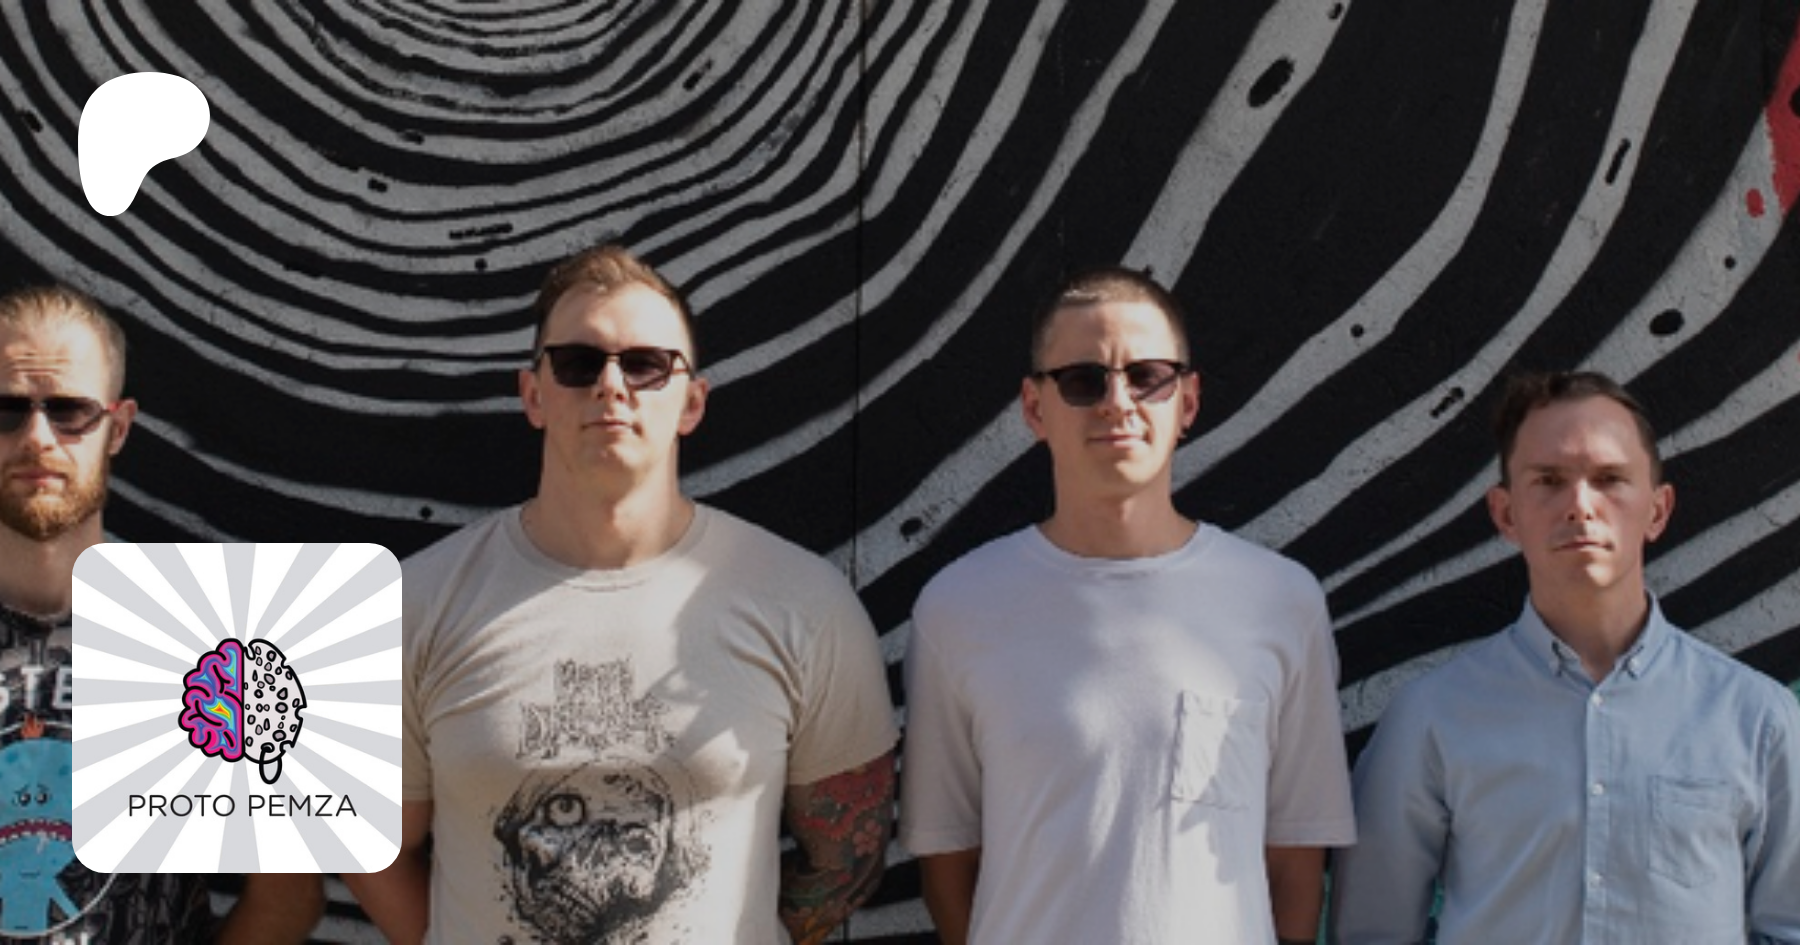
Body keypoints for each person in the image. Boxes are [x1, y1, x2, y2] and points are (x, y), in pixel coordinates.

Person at [347, 244, 898, 944]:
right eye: (579, 363)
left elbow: (848, 855)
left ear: (692, 401)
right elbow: (369, 842)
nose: (611, 385)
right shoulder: (419, 602)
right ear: (533, 394)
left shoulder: (802, 603)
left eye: (646, 364)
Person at [898, 267, 1356, 944]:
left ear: (1188, 401)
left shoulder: (1281, 599)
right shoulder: (958, 607)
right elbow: (947, 856)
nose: (1118, 402)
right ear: (1035, 409)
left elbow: (1296, 855)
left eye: (1148, 377)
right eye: (1084, 380)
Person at [1330, 370, 1800, 943]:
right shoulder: (1431, 717)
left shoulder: (1757, 719)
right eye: (1549, 481)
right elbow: (1373, 932)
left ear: (1657, 510)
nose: (1580, 505)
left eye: (1609, 479)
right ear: (1506, 514)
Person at [0, 284, 323, 943]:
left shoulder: (205, 643)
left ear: (118, 427)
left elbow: (288, 898)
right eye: (7, 410)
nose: (37, 437)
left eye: (70, 411)